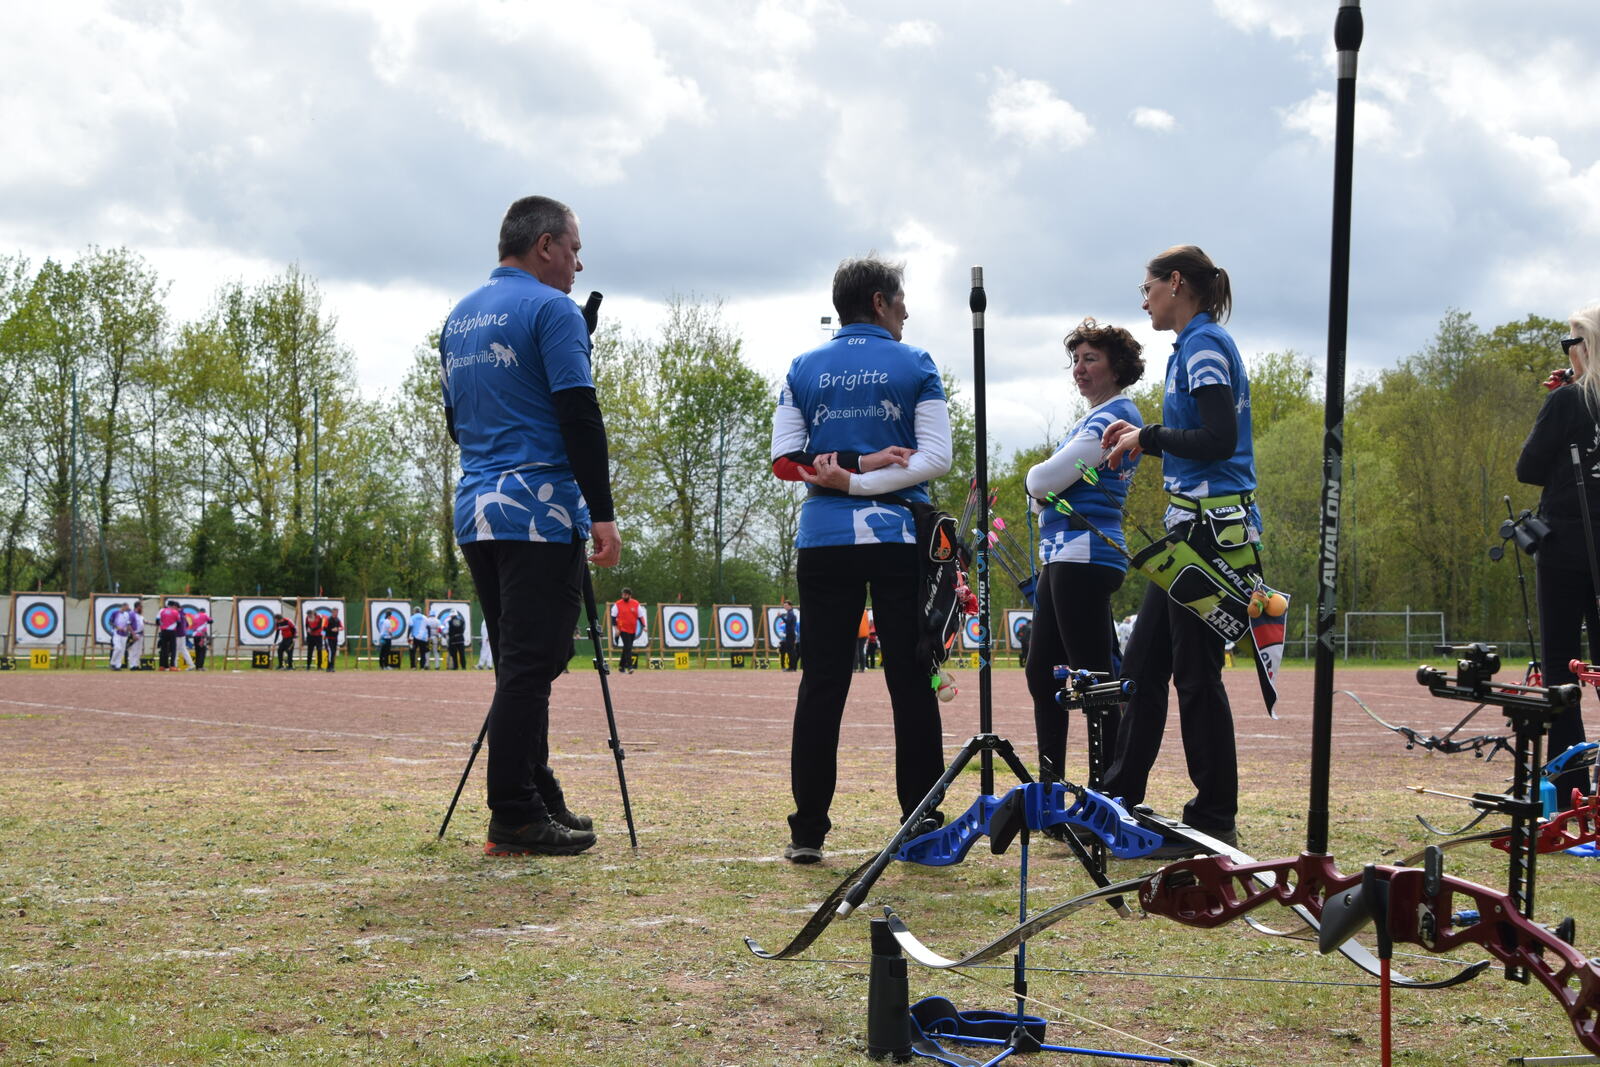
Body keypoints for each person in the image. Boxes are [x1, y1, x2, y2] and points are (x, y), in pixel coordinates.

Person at [440, 194, 621, 857]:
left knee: (522, 663)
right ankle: (514, 813)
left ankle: (536, 790)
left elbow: (457, 423)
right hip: (538, 510)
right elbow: (579, 414)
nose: (578, 263)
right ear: (545, 245)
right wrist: (602, 513)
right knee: (533, 663)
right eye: (574, 248)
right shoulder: (553, 310)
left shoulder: (459, 317)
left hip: (476, 509)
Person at [769, 254, 953, 863]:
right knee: (911, 680)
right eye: (901, 301)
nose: (906, 313)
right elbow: (936, 459)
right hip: (898, 538)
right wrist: (864, 475)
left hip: (823, 541)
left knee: (822, 682)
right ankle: (921, 826)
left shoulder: (802, 367)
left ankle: (807, 832)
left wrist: (844, 476)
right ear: (879, 301)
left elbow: (786, 461)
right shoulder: (916, 362)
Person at [1100, 245, 1255, 857]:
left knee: (1195, 678)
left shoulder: (1204, 344)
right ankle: (1117, 803)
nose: (1144, 301)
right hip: (1189, 532)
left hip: (1211, 534)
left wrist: (1148, 436)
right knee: (1142, 669)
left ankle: (1214, 820)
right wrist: (1145, 437)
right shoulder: (1190, 346)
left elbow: (1218, 439)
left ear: (1174, 283)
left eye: (1147, 289)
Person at [1023, 318, 1145, 785]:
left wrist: (1043, 485)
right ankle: (1050, 788)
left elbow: (1042, 482)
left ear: (1117, 367)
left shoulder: (1115, 416)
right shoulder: (1089, 418)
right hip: (1062, 555)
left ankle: (1109, 790)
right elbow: (1043, 491)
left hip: (1085, 554)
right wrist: (1046, 487)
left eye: (1090, 359)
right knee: (1042, 675)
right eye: (1075, 359)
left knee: (1094, 680)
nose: (1079, 368)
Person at [1515, 304, 1600, 802]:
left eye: (1570, 343)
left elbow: (1527, 468)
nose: (1566, 352)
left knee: (1561, 669)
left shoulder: (1568, 400)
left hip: (1567, 545)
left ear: (1586, 346)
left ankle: (1570, 790)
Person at [610, 589, 642, 674]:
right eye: (623, 594)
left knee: (626, 647)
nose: (623, 596)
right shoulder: (618, 604)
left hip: (632, 629)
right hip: (622, 628)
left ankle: (621, 666)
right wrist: (616, 629)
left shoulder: (636, 603)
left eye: (625, 595)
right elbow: (613, 617)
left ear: (629, 595)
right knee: (628, 647)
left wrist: (644, 626)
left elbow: (640, 616)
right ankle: (630, 667)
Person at [157, 599, 182, 671]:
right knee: (173, 649)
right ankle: (172, 666)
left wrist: (163, 625)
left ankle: (162, 666)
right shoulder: (175, 612)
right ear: (173, 606)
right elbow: (179, 622)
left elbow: (157, 621)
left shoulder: (162, 611)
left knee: (163, 649)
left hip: (163, 631)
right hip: (172, 631)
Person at [109, 603, 135, 670]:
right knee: (118, 648)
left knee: (122, 651)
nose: (127, 609)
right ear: (123, 606)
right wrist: (117, 627)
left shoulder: (127, 614)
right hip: (117, 633)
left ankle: (118, 665)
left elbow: (128, 624)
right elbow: (110, 622)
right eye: (127, 607)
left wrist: (128, 630)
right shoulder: (115, 613)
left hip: (124, 634)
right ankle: (112, 663)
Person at [778, 599, 799, 672]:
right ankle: (793, 667)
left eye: (786, 605)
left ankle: (792, 667)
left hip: (790, 634)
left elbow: (788, 622)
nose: (785, 607)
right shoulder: (790, 613)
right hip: (790, 634)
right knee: (791, 650)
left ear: (790, 606)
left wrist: (781, 616)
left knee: (791, 651)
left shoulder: (790, 613)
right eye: (784, 605)